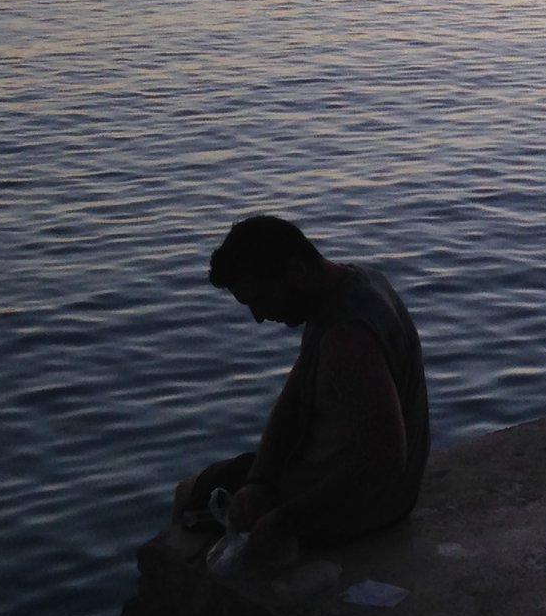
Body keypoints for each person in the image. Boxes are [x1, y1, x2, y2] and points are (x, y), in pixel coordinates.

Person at [173, 214, 430, 556]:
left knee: (187, 495)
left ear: (296, 273)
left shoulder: (347, 337)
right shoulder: (355, 286)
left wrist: (287, 520)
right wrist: (259, 480)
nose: (260, 316)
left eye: (261, 299)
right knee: (220, 489)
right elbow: (292, 403)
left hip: (366, 506)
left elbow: (384, 459)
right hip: (344, 478)